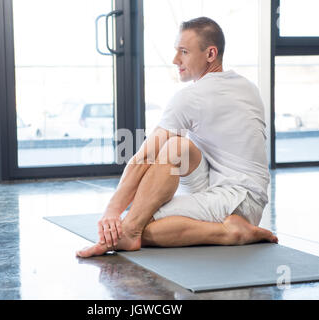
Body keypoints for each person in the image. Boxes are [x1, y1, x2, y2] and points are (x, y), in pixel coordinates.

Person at [76, 17, 278, 258]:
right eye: (176, 51)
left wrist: (112, 211)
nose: (175, 60)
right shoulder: (246, 85)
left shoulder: (192, 96)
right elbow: (159, 155)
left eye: (184, 52)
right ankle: (133, 228)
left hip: (238, 201)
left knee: (138, 223)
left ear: (210, 54)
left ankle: (230, 232)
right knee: (175, 146)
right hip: (236, 189)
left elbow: (145, 157)